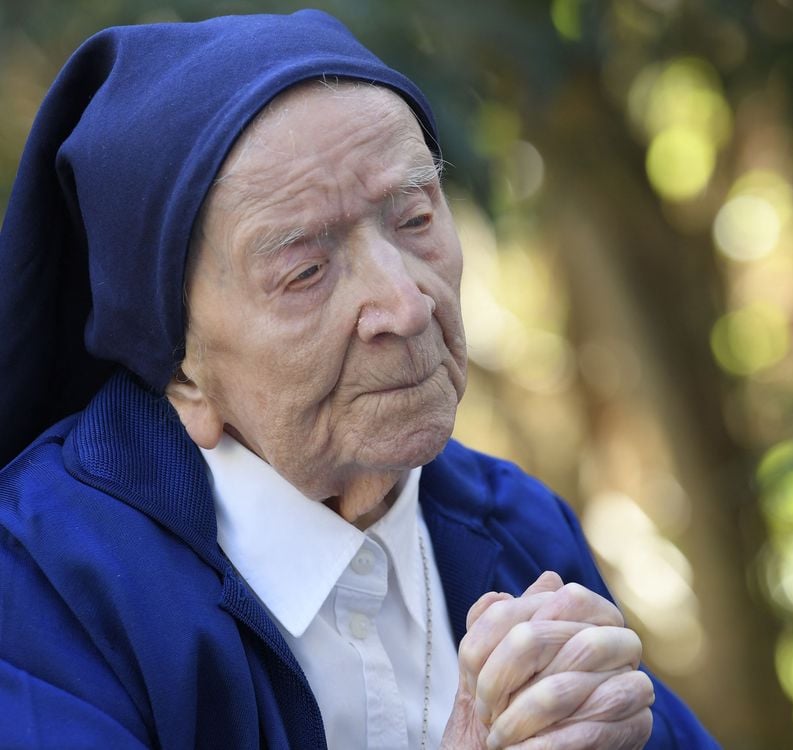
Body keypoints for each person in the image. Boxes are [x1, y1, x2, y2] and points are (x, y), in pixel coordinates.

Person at [0, 10, 720, 750]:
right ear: (182, 372)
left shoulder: (516, 530)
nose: (406, 306)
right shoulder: (44, 587)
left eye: (413, 220)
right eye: (306, 271)